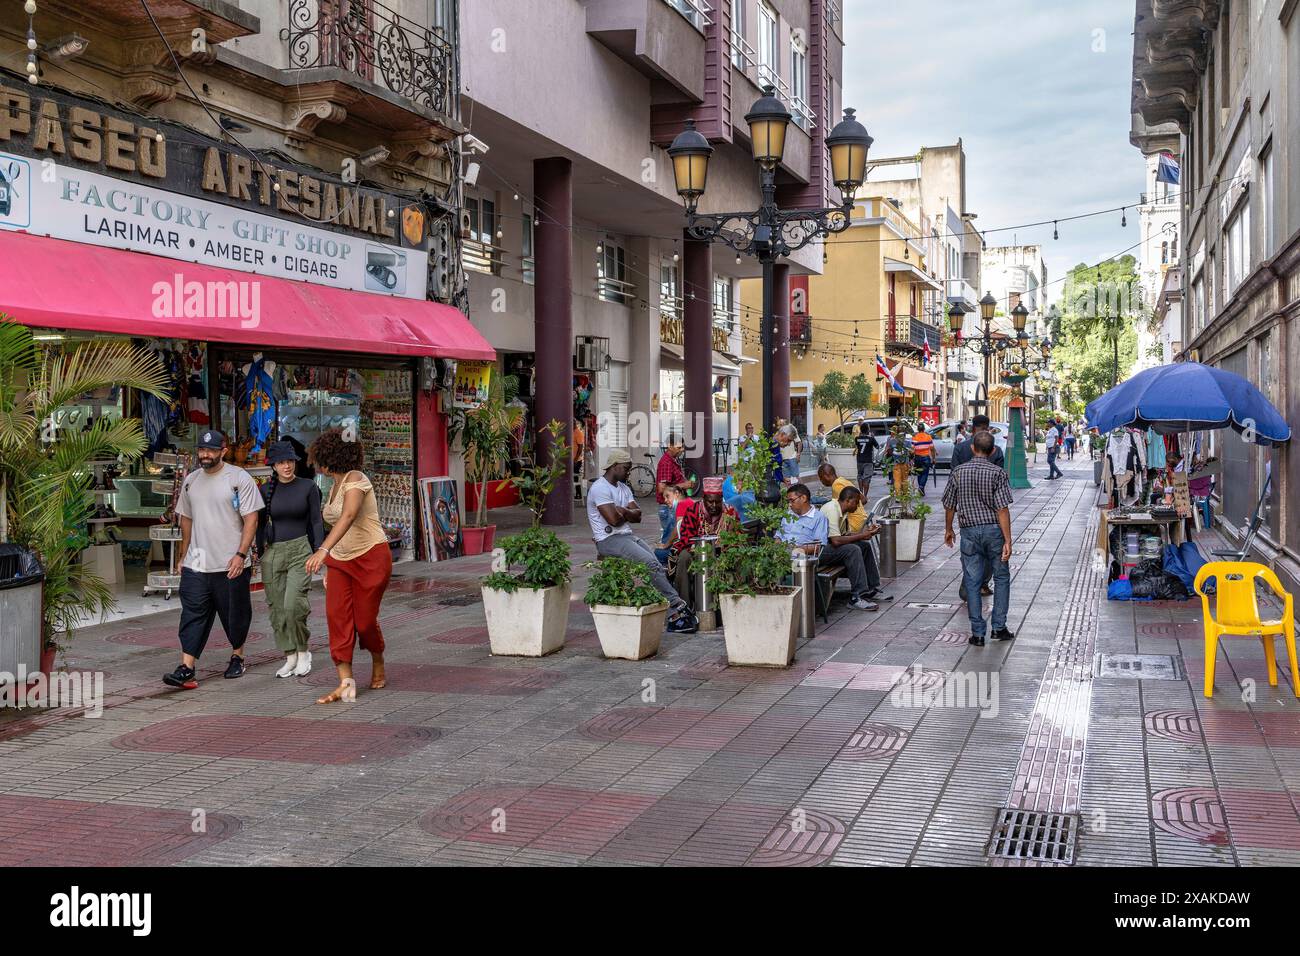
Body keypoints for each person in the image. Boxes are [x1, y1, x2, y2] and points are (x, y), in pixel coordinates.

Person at [163, 429, 263, 689]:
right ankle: (187, 668)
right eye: (202, 450)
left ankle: (237, 656)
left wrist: (241, 555)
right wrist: (183, 554)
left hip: (230, 562)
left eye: (210, 450)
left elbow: (251, 519)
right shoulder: (191, 480)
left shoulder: (238, 478)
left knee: (234, 615)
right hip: (198, 562)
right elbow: (186, 517)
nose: (204, 455)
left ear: (223, 451)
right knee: (192, 613)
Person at [305, 429, 393, 704]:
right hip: (341, 561)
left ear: (328, 459)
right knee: (337, 617)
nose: (318, 464)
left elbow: (349, 515)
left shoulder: (357, 479)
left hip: (370, 557)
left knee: (364, 622)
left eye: (319, 459)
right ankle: (346, 682)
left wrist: (322, 550)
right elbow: (335, 523)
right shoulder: (332, 485)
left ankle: (377, 658)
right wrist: (331, 564)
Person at [590, 452, 697, 632]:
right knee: (649, 563)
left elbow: (638, 516)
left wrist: (621, 510)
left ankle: (670, 608)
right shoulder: (600, 488)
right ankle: (677, 607)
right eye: (626, 468)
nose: (629, 473)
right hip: (608, 539)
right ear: (615, 466)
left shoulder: (623, 488)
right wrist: (626, 514)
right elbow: (613, 521)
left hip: (627, 535)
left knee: (655, 562)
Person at [257, 441, 324, 679]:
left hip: (301, 550)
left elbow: (316, 521)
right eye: (281, 462)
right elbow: (259, 524)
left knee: (293, 605)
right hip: (273, 553)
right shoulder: (265, 490)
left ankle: (303, 651)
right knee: (277, 609)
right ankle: (290, 655)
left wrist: (319, 550)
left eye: (290, 461)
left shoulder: (308, 487)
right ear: (273, 465)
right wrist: (258, 552)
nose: (286, 466)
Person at [942, 431, 1015, 646]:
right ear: (993, 451)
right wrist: (1008, 540)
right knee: (1001, 577)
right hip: (994, 532)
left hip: (969, 532)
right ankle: (999, 628)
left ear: (972, 448)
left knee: (972, 581)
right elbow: (1002, 509)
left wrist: (948, 529)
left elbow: (949, 504)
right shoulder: (998, 473)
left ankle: (978, 633)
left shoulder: (958, 472)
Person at [777, 484, 877, 611]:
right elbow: (778, 537)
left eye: (792, 500)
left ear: (803, 498)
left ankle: (863, 593)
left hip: (807, 554)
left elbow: (818, 547)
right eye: (788, 501)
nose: (790, 504)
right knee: (853, 550)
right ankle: (859, 595)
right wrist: (779, 549)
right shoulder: (788, 515)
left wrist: (795, 549)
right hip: (786, 554)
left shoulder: (818, 517)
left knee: (859, 548)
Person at [671, 476, 739, 609]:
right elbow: (686, 537)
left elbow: (737, 538)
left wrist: (726, 545)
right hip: (696, 552)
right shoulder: (693, 511)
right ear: (704, 499)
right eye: (710, 502)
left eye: (717, 502)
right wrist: (701, 550)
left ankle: (729, 606)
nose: (714, 506)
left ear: (721, 500)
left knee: (738, 557)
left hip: (722, 553)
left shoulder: (730, 512)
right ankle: (684, 606)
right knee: (684, 557)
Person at [821, 485, 892, 602]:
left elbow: (846, 536)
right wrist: (862, 535)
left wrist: (867, 532)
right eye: (856, 502)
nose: (859, 505)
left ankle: (872, 588)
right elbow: (836, 540)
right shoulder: (832, 509)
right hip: (819, 550)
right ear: (848, 500)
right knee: (853, 550)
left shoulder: (843, 511)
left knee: (864, 546)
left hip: (830, 546)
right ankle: (858, 595)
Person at [655, 435, 693, 544]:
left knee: (675, 537)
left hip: (673, 506)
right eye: (679, 447)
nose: (682, 450)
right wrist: (684, 485)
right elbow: (662, 489)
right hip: (668, 507)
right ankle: (662, 559)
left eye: (682, 447)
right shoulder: (666, 463)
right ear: (670, 446)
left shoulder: (673, 460)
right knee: (670, 538)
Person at [816, 462, 866, 533]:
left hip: (853, 524)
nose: (821, 481)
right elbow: (863, 499)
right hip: (862, 521)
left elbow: (840, 508)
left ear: (826, 476)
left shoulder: (837, 486)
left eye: (821, 478)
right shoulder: (842, 480)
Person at [854, 422, 880, 496]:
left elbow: (858, 445)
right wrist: (872, 437)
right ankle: (864, 496)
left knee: (860, 476)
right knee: (867, 478)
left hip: (859, 460)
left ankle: (861, 493)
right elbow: (877, 447)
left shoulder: (857, 439)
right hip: (868, 461)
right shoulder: (871, 439)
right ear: (868, 429)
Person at [911, 424, 934, 495]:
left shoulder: (914, 437)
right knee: (925, 473)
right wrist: (933, 459)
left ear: (918, 429)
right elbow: (932, 449)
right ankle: (921, 487)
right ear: (924, 429)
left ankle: (922, 489)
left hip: (917, 457)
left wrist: (911, 458)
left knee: (919, 473)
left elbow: (912, 449)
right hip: (926, 457)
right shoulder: (928, 437)